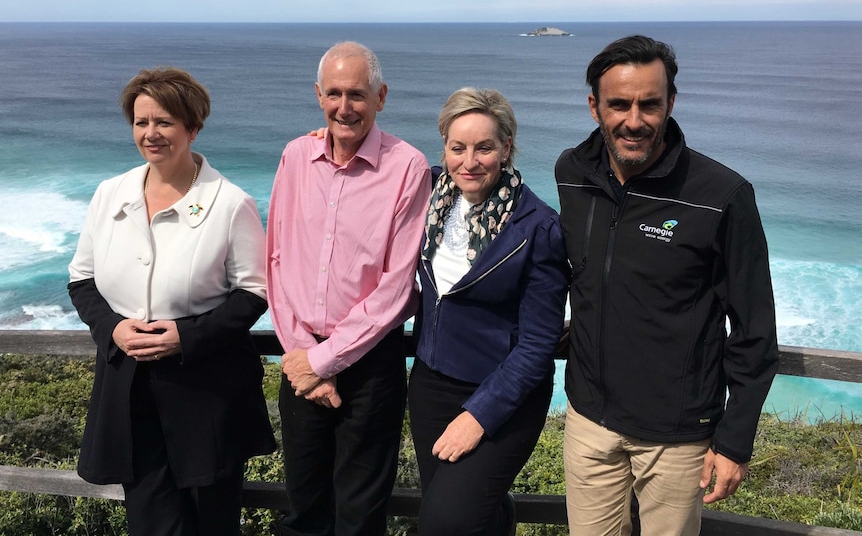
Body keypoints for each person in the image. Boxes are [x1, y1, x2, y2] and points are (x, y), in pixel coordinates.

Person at [555, 35, 780, 536]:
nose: (633, 120)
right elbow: (581, 271)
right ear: (594, 106)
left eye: (649, 104)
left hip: (678, 437)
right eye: (618, 104)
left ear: (670, 103)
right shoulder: (571, 173)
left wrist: (734, 440)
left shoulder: (722, 195)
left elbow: (754, 329)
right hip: (588, 419)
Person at [68, 67, 276, 536]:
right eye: (141, 122)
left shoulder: (229, 203)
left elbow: (255, 291)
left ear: (192, 127)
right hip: (129, 387)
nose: (151, 133)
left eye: (164, 122)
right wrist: (112, 329)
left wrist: (187, 336)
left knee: (211, 522)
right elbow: (81, 279)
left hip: (206, 393)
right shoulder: (109, 194)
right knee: (151, 522)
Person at [266, 41, 431, 536]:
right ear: (318, 95)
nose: (344, 107)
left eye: (356, 94)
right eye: (334, 94)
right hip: (299, 358)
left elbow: (399, 286)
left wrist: (325, 362)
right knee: (303, 508)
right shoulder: (296, 156)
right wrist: (303, 357)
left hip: (370, 366)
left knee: (359, 516)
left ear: (381, 97)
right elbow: (277, 259)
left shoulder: (408, 166)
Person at [408, 87, 570, 535]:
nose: (469, 161)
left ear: (507, 148)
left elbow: (538, 343)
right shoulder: (429, 193)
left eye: (485, 147)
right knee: (470, 514)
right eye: (457, 148)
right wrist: (329, 139)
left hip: (502, 397)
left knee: (445, 523)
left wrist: (479, 415)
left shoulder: (537, 227)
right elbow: (373, 172)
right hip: (430, 386)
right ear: (444, 147)